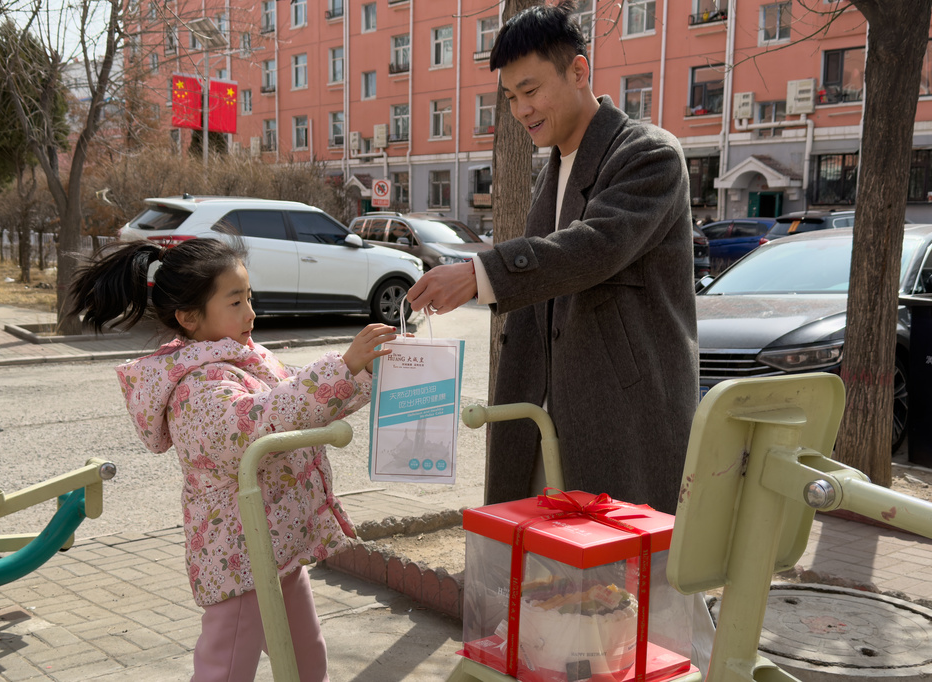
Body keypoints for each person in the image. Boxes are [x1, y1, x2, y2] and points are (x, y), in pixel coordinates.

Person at [406, 2, 698, 516]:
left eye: (531, 90)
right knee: (550, 578)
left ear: (578, 71)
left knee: (641, 579)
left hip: (620, 417)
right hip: (540, 417)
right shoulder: (552, 172)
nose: (521, 110)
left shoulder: (649, 154)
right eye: (511, 97)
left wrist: (480, 273)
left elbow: (594, 247)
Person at [66, 238, 397, 682]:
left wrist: (361, 371)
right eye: (236, 301)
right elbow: (259, 423)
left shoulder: (241, 359)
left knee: (306, 658)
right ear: (188, 317)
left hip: (274, 539)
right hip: (239, 553)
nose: (251, 313)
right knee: (226, 667)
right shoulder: (195, 384)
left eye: (250, 297)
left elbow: (298, 398)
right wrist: (343, 366)